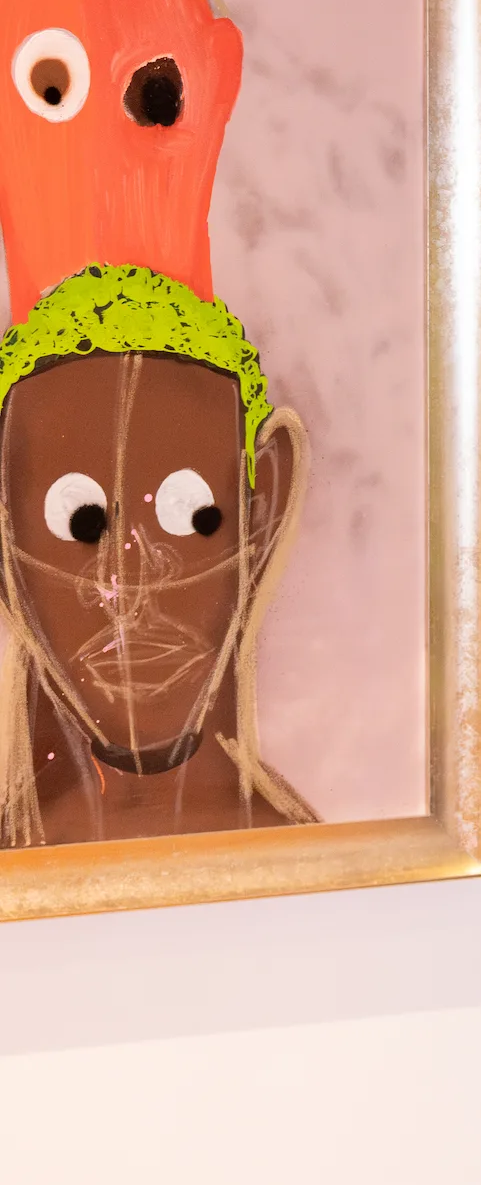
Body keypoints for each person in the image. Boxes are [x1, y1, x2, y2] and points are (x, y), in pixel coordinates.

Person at [0, 261, 311, 843]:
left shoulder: (318, 871)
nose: (127, 580)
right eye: (80, 521)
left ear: (262, 510)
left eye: (191, 515)